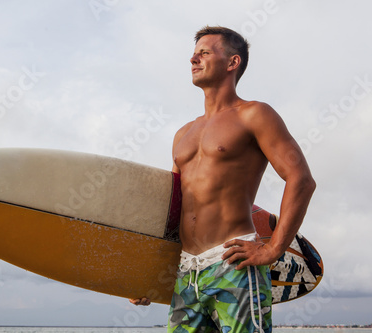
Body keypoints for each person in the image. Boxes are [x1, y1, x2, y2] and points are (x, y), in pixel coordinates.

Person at [130, 26, 316, 333]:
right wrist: (150, 276)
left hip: (233, 264)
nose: (193, 58)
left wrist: (273, 250)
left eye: (204, 53)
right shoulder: (183, 134)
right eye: (194, 53)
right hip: (186, 272)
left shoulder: (254, 115)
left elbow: (301, 179)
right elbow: (173, 211)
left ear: (232, 62)